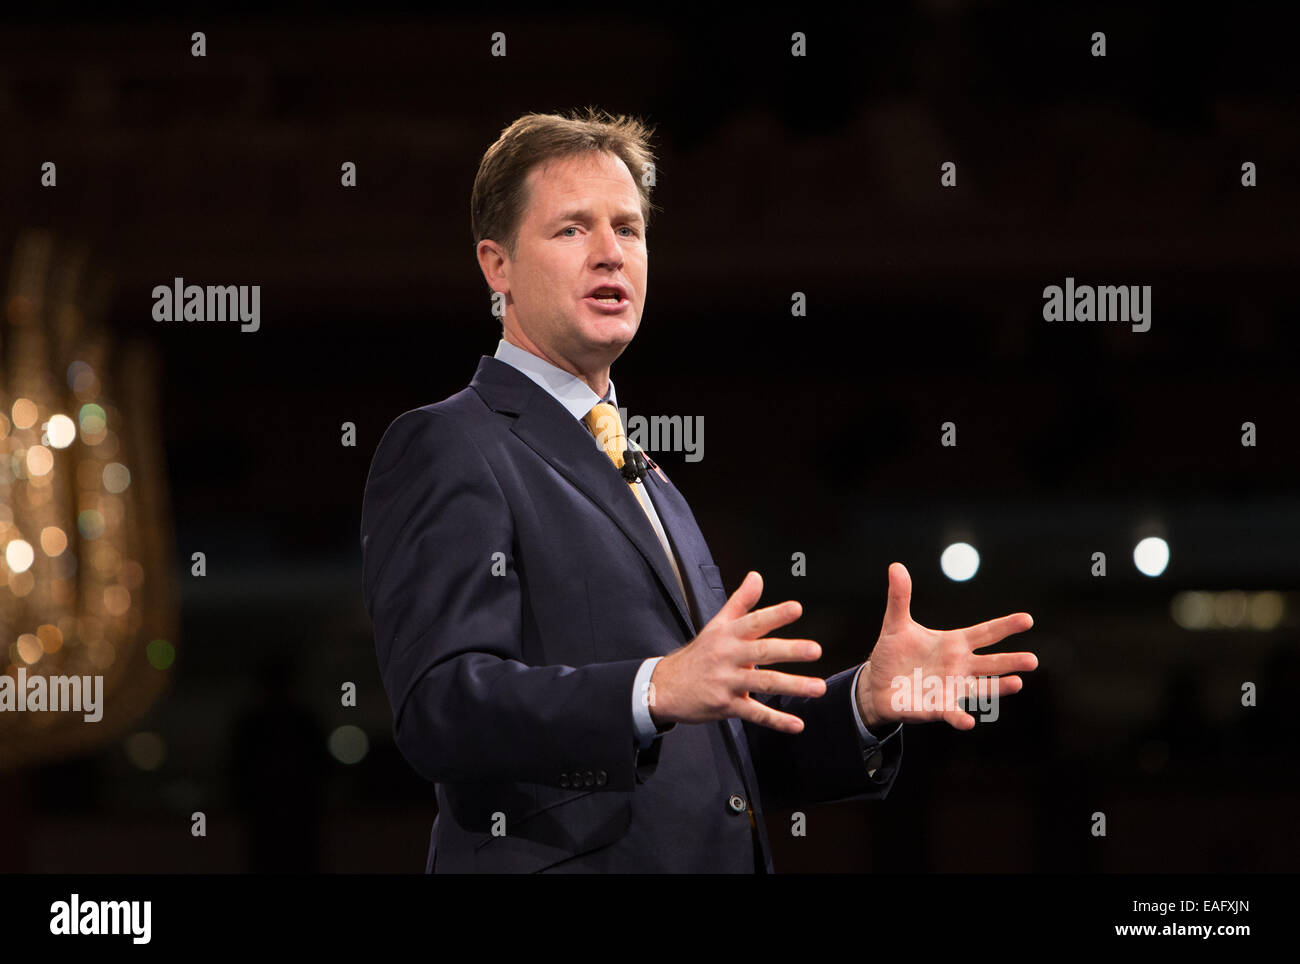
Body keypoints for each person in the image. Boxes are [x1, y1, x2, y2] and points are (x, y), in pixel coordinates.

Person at [360, 107, 1038, 873]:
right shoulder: (451, 442)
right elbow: (440, 707)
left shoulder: (642, 470)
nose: (611, 254)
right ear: (497, 266)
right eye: (572, 230)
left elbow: (718, 752)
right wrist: (651, 688)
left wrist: (863, 703)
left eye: (630, 228)